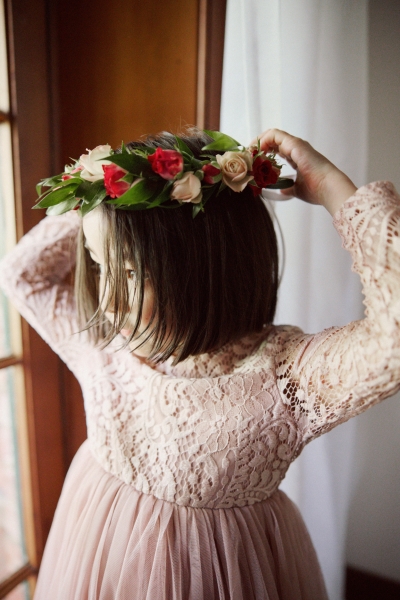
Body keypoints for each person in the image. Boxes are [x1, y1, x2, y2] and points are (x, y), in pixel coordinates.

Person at [0, 128, 399, 600]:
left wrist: (334, 189)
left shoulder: (283, 378)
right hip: (95, 559)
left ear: (208, 266)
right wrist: (108, 189)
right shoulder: (105, 348)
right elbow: (23, 274)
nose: (108, 300)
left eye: (130, 272)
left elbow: (393, 340)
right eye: (98, 264)